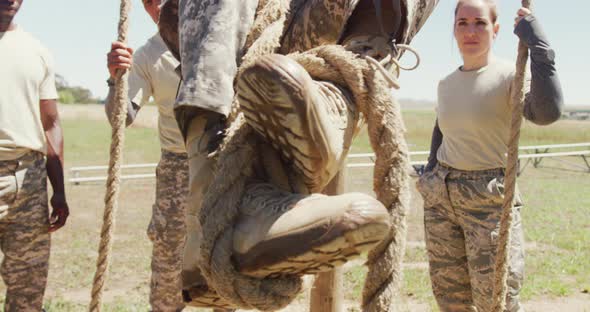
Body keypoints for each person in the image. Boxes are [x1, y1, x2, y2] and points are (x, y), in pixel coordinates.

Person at [159, 0, 439, 309]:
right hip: (242, 29)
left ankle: (333, 108)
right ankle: (213, 210)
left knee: (295, 78)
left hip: (330, 34)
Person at [416, 0, 563, 311]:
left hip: (489, 202)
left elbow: (546, 112)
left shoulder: (510, 74)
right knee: (451, 300)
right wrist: (430, 171)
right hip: (442, 200)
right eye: (463, 23)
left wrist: (539, 45)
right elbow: (442, 128)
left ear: (495, 30)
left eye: (480, 23)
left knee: (496, 301)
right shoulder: (446, 83)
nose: (471, 30)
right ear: (454, 30)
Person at [105, 0, 190, 310]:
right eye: (149, 2)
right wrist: (116, 78)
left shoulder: (216, 37)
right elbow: (121, 116)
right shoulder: (146, 55)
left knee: (225, 263)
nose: (159, 6)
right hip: (177, 171)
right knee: (169, 273)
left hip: (223, 160)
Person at [0, 0, 70, 310]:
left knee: (27, 291)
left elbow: (51, 122)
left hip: (29, 182)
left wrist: (60, 191)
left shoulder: (36, 50)